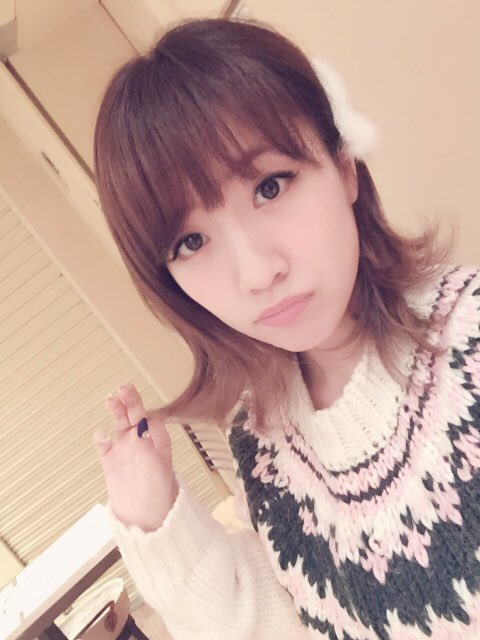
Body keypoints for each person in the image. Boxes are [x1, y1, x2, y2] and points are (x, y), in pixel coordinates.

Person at [92, 17, 480, 640]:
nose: (256, 272)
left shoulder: (469, 344)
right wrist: (155, 520)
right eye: (191, 241)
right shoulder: (260, 443)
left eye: (270, 187)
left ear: (345, 167)